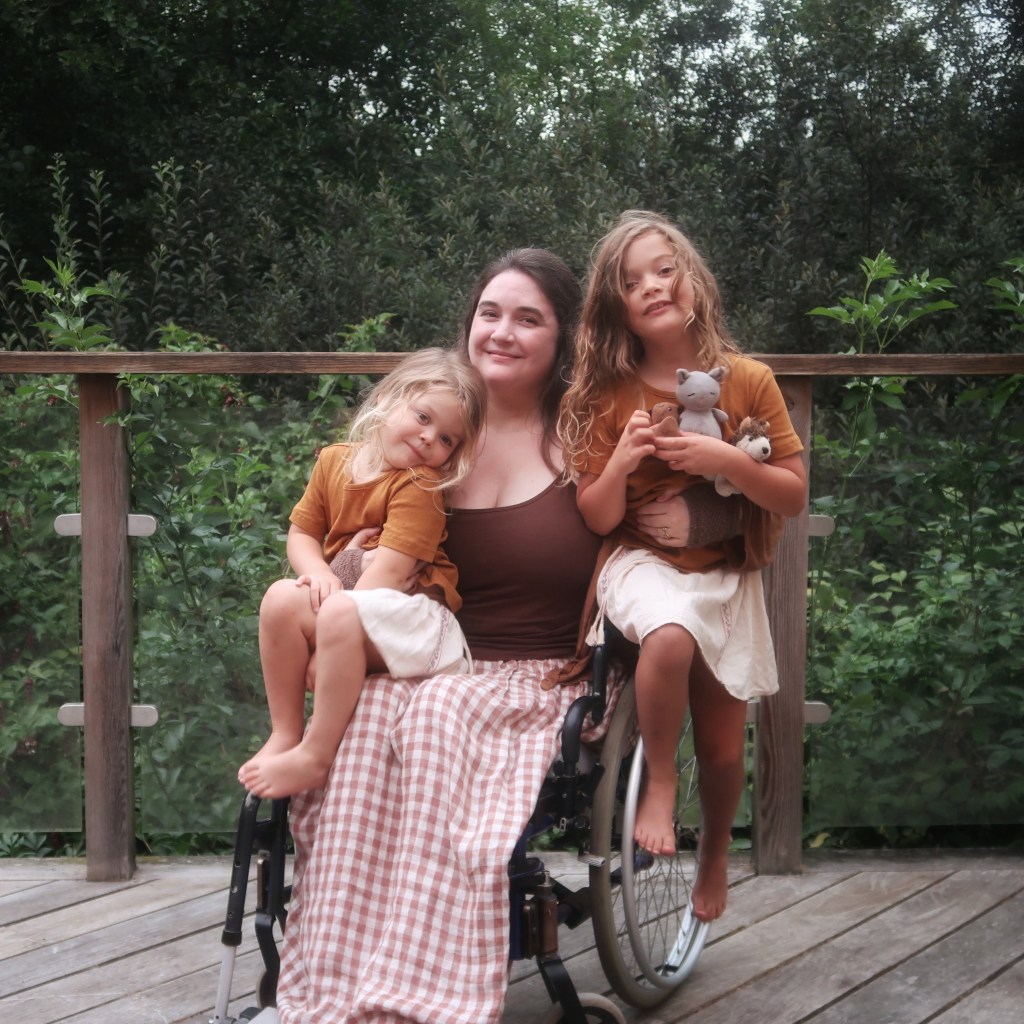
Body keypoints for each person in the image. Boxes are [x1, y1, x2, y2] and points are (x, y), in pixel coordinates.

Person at [273, 247, 741, 1024]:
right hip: (429, 656)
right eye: (490, 313)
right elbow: (344, 539)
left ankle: (424, 991)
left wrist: (701, 521)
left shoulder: (590, 434)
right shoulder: (430, 432)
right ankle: (338, 982)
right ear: (468, 325)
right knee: (366, 733)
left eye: (529, 318)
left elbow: (717, 506)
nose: (504, 332)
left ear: (563, 339)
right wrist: (340, 579)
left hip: (550, 672)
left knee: (435, 718)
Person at [558, 210, 807, 923]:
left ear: (691, 277)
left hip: (725, 577)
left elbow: (789, 493)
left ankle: (719, 853)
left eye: (664, 269)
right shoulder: (608, 393)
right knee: (666, 638)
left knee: (727, 751)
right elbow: (597, 516)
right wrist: (622, 461)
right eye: (632, 281)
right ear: (617, 308)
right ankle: (660, 777)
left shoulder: (750, 381)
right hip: (640, 565)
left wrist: (725, 460)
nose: (653, 286)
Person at [238, 347, 487, 799]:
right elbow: (301, 535)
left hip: (415, 623)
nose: (432, 438)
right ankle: (284, 731)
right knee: (279, 597)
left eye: (448, 439)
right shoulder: (334, 461)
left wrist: (323, 651)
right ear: (388, 400)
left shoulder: (419, 485)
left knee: (337, 614)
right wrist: (319, 573)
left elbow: (388, 577)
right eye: (424, 417)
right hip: (356, 604)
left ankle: (317, 753)